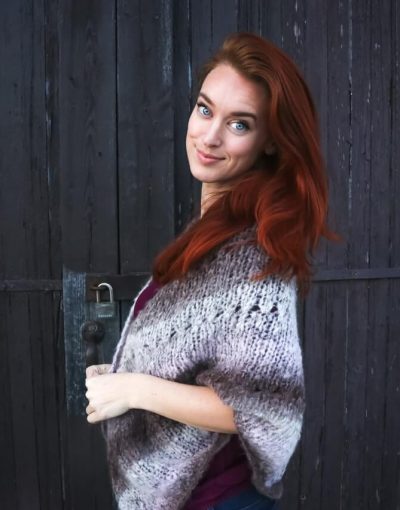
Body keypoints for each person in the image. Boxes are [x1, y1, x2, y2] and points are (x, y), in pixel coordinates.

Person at [85, 32, 339, 510]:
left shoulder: (253, 250)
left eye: (239, 124)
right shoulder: (212, 232)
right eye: (205, 109)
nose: (209, 136)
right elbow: (200, 360)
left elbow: (257, 404)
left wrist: (133, 388)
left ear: (270, 142)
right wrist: (125, 373)